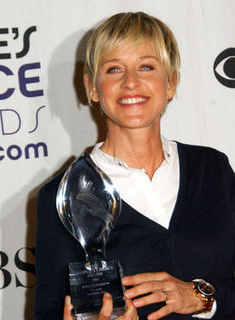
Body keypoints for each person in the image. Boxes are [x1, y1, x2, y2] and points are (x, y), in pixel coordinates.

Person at [34, 12, 235, 320]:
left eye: (146, 67)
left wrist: (201, 297)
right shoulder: (64, 194)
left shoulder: (212, 169)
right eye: (114, 69)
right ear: (92, 88)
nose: (131, 82)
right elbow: (49, 311)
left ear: (171, 83)